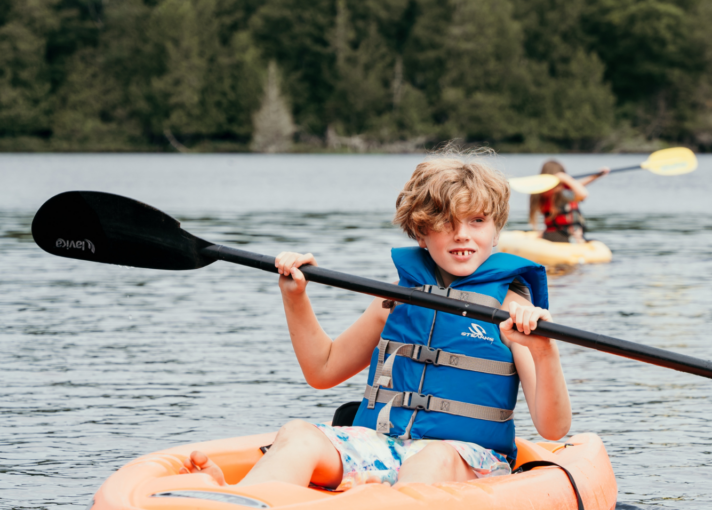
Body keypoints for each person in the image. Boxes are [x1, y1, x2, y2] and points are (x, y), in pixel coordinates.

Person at [180, 156, 572, 491]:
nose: (461, 235)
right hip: (386, 445)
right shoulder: (396, 300)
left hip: (468, 460)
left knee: (433, 457)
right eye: (446, 222)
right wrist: (295, 296)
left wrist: (543, 348)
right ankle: (242, 501)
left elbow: (553, 428)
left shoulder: (511, 308)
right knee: (299, 434)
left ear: (495, 229)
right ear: (421, 231)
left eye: (477, 221)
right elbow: (323, 369)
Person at [528, 160, 609, 243]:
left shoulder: (541, 192)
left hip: (553, 235)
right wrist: (566, 178)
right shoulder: (559, 194)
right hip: (563, 236)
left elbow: (577, 185)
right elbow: (583, 194)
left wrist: (596, 176)